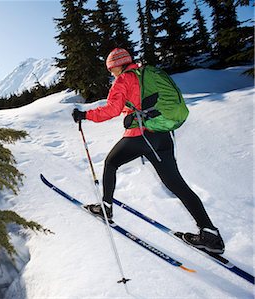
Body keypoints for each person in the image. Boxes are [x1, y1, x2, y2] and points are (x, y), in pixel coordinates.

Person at [71, 48, 225, 254]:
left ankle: (105, 208)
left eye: (111, 69)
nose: (111, 73)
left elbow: (111, 110)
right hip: (163, 134)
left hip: (141, 136)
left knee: (111, 163)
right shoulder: (145, 74)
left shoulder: (123, 80)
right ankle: (210, 235)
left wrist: (85, 115)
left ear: (118, 65)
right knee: (176, 184)